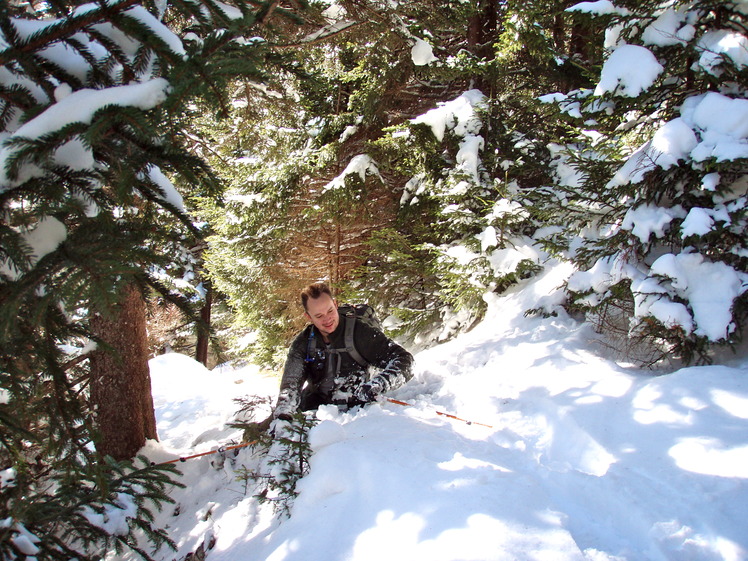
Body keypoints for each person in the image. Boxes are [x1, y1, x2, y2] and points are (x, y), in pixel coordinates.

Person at [271, 282, 414, 421]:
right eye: (319, 316)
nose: (327, 319)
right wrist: (284, 415)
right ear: (308, 317)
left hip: (358, 414)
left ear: (335, 304)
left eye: (330, 311)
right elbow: (290, 386)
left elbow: (405, 360)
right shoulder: (303, 343)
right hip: (315, 411)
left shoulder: (360, 333)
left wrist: (379, 384)